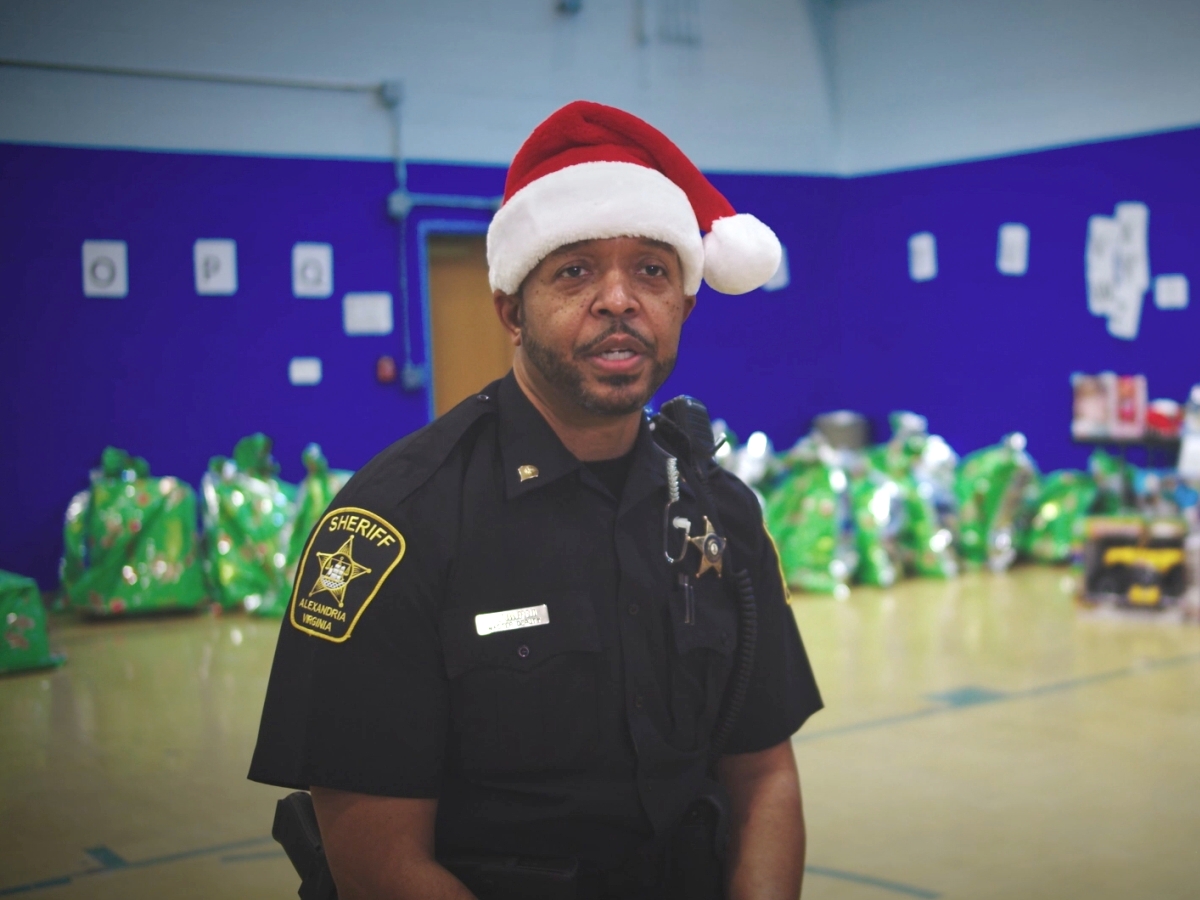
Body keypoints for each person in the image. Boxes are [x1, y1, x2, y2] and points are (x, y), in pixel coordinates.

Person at [249, 100, 823, 900]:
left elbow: (765, 778)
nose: (620, 299)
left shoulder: (718, 512)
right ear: (511, 310)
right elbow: (376, 861)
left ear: (686, 303)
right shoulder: (398, 524)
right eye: (576, 270)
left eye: (652, 271)